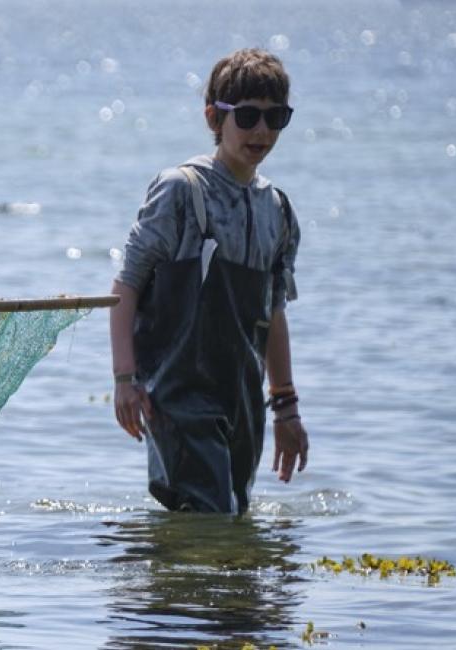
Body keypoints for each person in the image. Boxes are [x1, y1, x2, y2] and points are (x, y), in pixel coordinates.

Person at [108, 48, 310, 514]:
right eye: (247, 116)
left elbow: (273, 311)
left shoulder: (277, 210)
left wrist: (285, 406)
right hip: (177, 398)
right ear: (214, 117)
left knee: (230, 523)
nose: (261, 131)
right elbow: (126, 286)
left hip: (242, 403)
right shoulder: (183, 190)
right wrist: (124, 378)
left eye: (275, 117)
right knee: (209, 521)